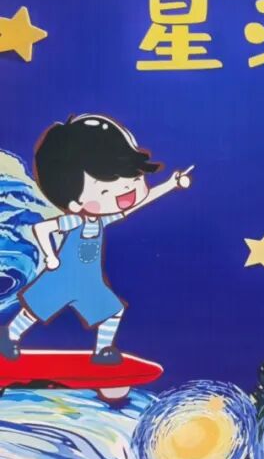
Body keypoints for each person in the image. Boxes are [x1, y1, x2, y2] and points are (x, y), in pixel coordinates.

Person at [0, 114, 193, 364]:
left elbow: (135, 206)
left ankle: (102, 351)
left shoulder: (100, 220)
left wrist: (170, 184)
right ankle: (9, 336)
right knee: (34, 311)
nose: (127, 190)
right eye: (105, 189)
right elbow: (42, 229)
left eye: (134, 178)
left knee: (113, 311)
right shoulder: (75, 221)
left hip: (88, 283)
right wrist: (49, 257)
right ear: (75, 201)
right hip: (61, 280)